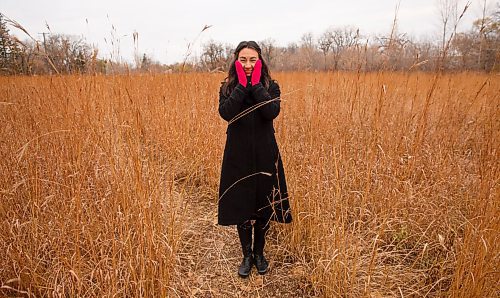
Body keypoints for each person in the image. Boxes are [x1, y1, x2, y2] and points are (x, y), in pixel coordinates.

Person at [217, 41, 292, 278]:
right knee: (242, 204)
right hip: (237, 154)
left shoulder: (271, 86)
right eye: (243, 60)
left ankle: (260, 253)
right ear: (236, 62)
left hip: (264, 152)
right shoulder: (227, 87)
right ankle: (246, 256)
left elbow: (271, 112)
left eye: (252, 60)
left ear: (260, 61)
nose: (248, 64)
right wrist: (242, 84)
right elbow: (226, 113)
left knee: (263, 203)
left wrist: (256, 84)